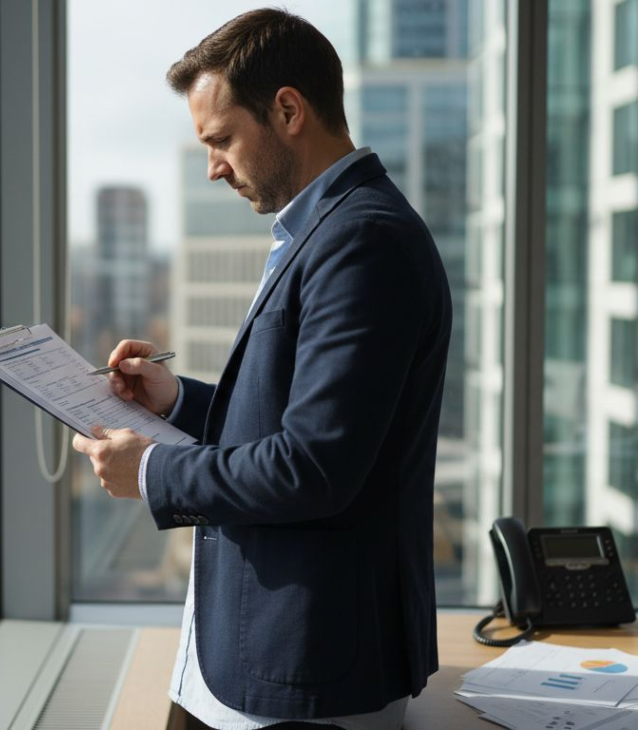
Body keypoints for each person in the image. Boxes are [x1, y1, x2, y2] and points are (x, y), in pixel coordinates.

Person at [72, 8, 452, 730]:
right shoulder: (324, 229)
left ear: (286, 110)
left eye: (221, 140)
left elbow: (314, 466)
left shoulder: (361, 241)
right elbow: (291, 418)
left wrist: (152, 473)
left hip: (307, 667)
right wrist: (176, 399)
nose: (213, 165)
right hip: (251, 653)